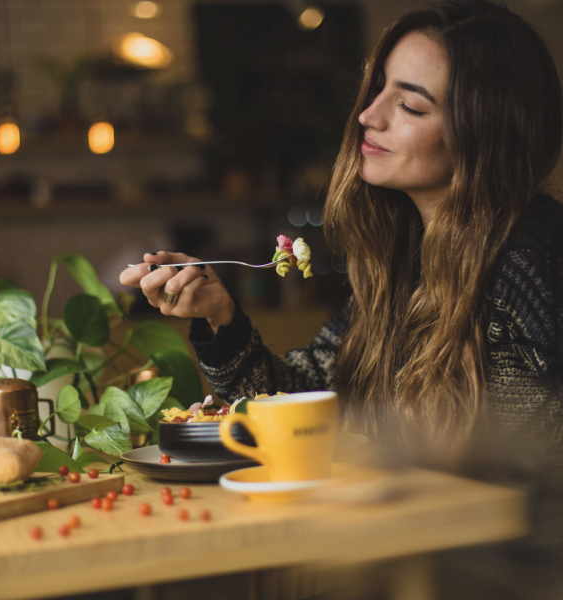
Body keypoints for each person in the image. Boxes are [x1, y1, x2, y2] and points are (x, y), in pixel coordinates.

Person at [121, 0, 563, 463]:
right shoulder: (402, 258)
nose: (368, 115)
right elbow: (309, 400)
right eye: (377, 89)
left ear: (486, 133)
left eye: (410, 106)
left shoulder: (533, 261)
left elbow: (531, 473)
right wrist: (219, 316)